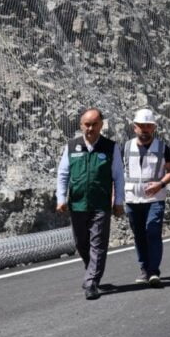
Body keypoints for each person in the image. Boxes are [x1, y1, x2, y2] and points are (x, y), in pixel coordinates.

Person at [55, 108, 126, 300]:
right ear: (81, 125)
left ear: (101, 125)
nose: (91, 128)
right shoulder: (71, 147)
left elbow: (118, 177)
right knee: (81, 243)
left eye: (95, 124)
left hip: (100, 204)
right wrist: (61, 199)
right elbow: (63, 175)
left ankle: (91, 282)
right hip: (77, 204)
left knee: (98, 244)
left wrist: (118, 201)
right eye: (87, 124)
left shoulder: (111, 147)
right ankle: (91, 272)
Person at [123, 108, 170, 288]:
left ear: (153, 128)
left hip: (155, 198)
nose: (145, 129)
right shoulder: (125, 147)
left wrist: (160, 184)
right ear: (134, 127)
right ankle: (144, 269)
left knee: (152, 230)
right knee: (139, 235)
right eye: (141, 126)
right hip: (132, 198)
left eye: (148, 126)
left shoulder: (162, 147)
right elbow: (119, 172)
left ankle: (154, 271)